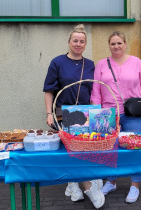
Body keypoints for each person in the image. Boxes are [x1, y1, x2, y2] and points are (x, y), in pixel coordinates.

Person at [43, 24, 105, 209]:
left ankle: (73, 184)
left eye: (82, 41)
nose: (78, 44)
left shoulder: (91, 64)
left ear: (85, 44)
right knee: (74, 151)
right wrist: (49, 113)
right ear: (69, 42)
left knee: (85, 151)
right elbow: (48, 90)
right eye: (75, 40)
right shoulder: (57, 62)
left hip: (86, 114)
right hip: (65, 114)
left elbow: (95, 89)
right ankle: (86, 185)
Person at [90, 31, 141, 203]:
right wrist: (97, 112)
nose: (116, 46)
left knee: (136, 149)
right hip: (107, 114)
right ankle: (111, 181)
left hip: (134, 114)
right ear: (109, 46)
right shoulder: (102, 64)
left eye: (119, 43)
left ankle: (135, 185)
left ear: (125, 44)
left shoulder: (137, 63)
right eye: (113, 43)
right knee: (109, 150)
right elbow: (96, 90)